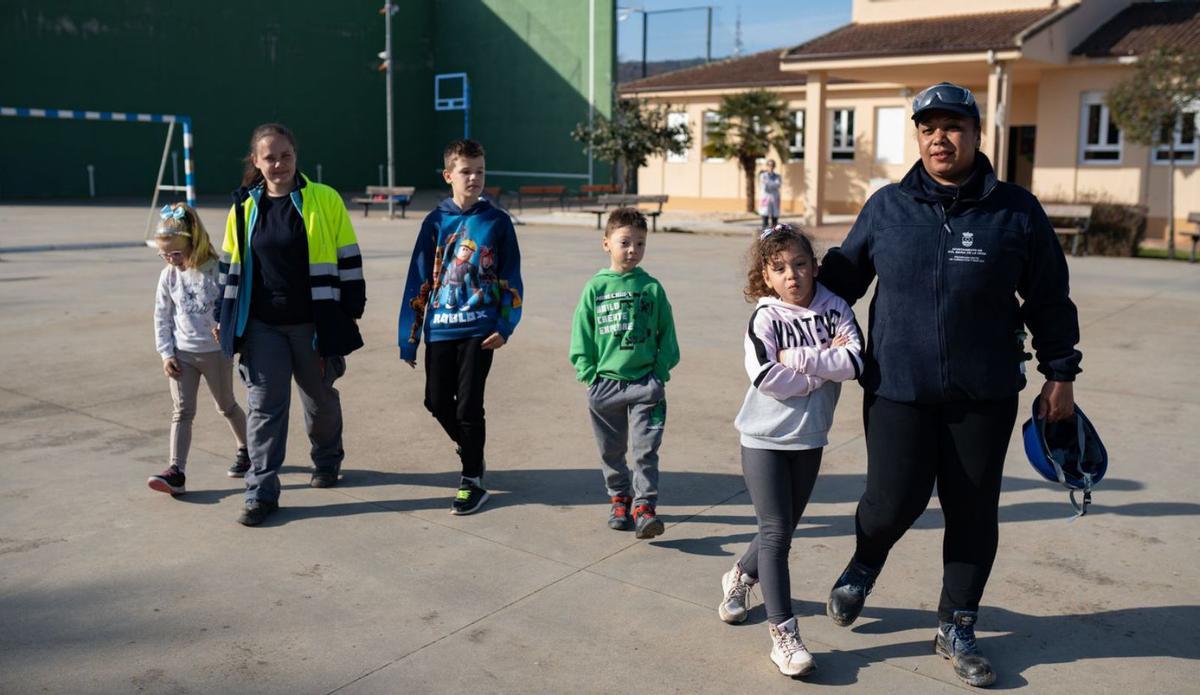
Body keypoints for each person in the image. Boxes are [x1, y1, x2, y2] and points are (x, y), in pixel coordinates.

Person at [818, 82, 1082, 688]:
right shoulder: (886, 207)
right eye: (928, 127)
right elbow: (840, 281)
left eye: (953, 126)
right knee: (891, 501)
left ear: (976, 133)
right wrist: (785, 289)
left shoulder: (1016, 211)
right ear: (918, 137)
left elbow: (1048, 298)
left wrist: (1060, 373)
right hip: (897, 389)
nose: (940, 137)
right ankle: (865, 561)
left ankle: (957, 622)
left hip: (983, 393)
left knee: (971, 511)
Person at [717, 223, 863, 678]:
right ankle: (784, 633)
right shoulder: (765, 317)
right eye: (779, 269)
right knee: (778, 532)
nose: (792, 276)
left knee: (780, 526)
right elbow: (765, 376)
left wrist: (803, 360)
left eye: (800, 264)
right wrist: (824, 366)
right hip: (762, 439)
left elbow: (855, 361)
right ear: (766, 275)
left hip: (810, 438)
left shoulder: (835, 308)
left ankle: (741, 575)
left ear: (815, 266)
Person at [215, 123, 366, 527]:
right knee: (264, 407)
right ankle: (260, 491)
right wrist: (222, 315)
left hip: (314, 322)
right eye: (270, 157)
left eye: (285, 155)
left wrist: (351, 307)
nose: (278, 164)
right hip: (262, 326)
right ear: (256, 162)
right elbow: (229, 265)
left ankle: (327, 458)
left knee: (320, 402)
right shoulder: (244, 207)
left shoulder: (324, 199)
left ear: (296, 156)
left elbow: (347, 252)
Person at [398, 139, 523, 516]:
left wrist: (506, 325)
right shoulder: (435, 221)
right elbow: (419, 279)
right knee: (436, 401)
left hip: (480, 329)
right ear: (448, 175)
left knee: (469, 406)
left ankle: (472, 480)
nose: (474, 178)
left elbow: (510, 276)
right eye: (466, 171)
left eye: (480, 171)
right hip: (440, 328)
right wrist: (410, 335)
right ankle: (473, 452)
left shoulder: (497, 222)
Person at [569, 207, 680, 539]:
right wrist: (588, 373)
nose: (633, 250)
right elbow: (582, 333)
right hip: (605, 386)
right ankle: (620, 498)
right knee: (611, 450)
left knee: (645, 450)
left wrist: (659, 372)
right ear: (607, 243)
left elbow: (667, 334)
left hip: (646, 385)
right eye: (625, 242)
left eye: (640, 244)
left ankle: (645, 508)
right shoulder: (595, 288)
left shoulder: (652, 289)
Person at [147, 203, 249, 495]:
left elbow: (231, 303)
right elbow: (161, 315)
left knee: (226, 405)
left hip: (215, 353)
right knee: (182, 411)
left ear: (194, 241)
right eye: (164, 254)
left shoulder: (213, 269)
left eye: (176, 253)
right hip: (182, 355)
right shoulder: (168, 275)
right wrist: (166, 353)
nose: (170, 259)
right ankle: (175, 471)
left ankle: (247, 449)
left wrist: (225, 327)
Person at [758, 159, 782, 230]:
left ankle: (774, 236)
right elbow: (764, 187)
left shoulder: (777, 176)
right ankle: (764, 236)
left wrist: (767, 182)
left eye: (772, 165)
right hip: (766, 198)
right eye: (769, 165)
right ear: (767, 166)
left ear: (774, 166)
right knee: (765, 218)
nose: (771, 167)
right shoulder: (763, 175)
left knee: (775, 219)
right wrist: (772, 184)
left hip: (774, 198)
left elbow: (778, 185)